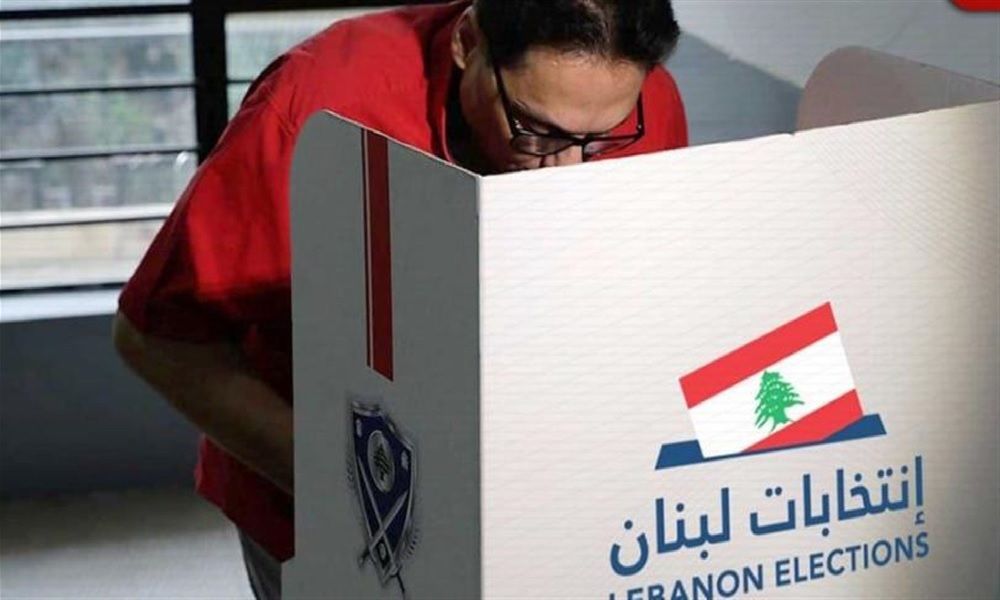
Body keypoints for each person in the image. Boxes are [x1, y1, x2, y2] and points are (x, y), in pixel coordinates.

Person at [112, 1, 687, 598]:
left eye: (600, 139)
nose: (563, 170)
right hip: (325, 507)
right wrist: (353, 495)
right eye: (535, 128)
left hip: (541, 508)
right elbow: (155, 338)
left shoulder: (641, 101)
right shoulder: (318, 104)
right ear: (470, 43)